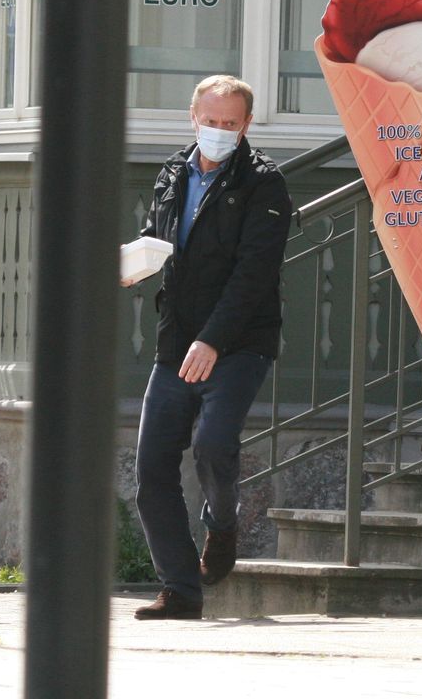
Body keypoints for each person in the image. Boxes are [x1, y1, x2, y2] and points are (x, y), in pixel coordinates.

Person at [125, 75, 293, 621]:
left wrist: (212, 340)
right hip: (178, 340)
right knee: (152, 467)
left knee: (213, 445)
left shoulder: (264, 184)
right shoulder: (173, 172)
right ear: (192, 116)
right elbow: (159, 236)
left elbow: (253, 275)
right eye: (211, 121)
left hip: (240, 340)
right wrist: (134, 265)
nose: (219, 131)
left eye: (230, 123)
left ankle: (222, 526)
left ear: (246, 125)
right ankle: (180, 590)